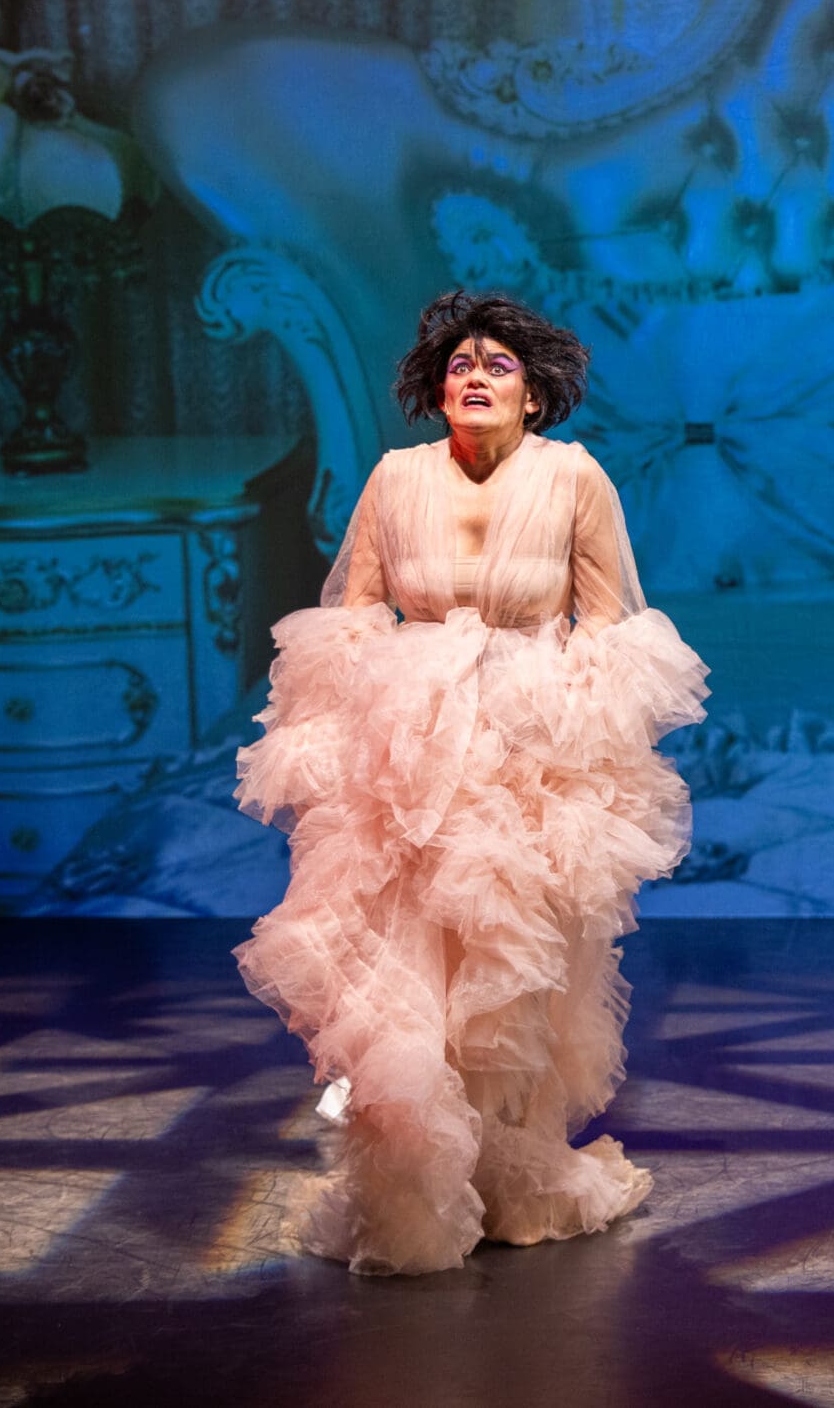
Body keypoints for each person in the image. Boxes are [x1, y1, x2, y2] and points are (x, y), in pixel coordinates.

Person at [234, 291, 709, 1273]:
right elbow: (356, 613)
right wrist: (334, 737)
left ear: (533, 394)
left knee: (512, 973)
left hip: (526, 744)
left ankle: (508, 1179)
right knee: (404, 961)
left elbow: (608, 621)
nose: (476, 377)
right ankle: (410, 1183)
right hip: (413, 748)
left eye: (498, 364)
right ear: (436, 389)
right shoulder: (396, 478)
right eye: (460, 365)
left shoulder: (572, 477)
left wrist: (584, 749)